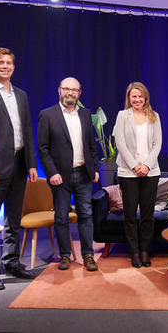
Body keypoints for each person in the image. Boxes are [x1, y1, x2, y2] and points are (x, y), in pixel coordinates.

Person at [37, 77, 99, 271]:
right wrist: (51, 173)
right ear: (59, 90)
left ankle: (88, 255)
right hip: (60, 177)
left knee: (86, 215)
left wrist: (95, 168)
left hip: (83, 173)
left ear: (79, 93)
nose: (70, 93)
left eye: (74, 90)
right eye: (66, 89)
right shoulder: (47, 115)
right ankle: (65, 255)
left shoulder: (86, 114)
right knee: (61, 217)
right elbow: (43, 148)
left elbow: (92, 145)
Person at [0, 48, 37, 290]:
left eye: (9, 63)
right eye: (1, 63)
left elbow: (27, 130)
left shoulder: (21, 95)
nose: (5, 66)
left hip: (20, 166)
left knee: (14, 220)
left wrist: (31, 163)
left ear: (14, 67)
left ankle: (11, 262)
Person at [114, 82, 162, 268]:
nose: (137, 99)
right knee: (130, 214)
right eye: (134, 96)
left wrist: (147, 166)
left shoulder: (154, 116)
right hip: (128, 172)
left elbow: (158, 143)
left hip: (151, 171)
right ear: (129, 98)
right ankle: (134, 251)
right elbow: (120, 143)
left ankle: (145, 250)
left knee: (148, 214)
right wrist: (135, 166)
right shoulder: (122, 116)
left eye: (140, 96)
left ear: (145, 98)